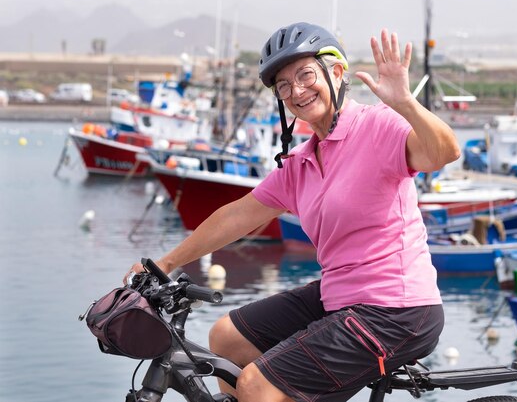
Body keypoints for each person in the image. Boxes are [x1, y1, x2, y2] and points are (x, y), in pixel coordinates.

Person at [125, 22, 460, 402]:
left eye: (305, 75)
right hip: (341, 296)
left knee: (257, 385)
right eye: (283, 85)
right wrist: (164, 263)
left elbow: (444, 153)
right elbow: (238, 215)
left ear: (336, 73)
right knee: (226, 337)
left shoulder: (378, 126)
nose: (296, 91)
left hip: (398, 310)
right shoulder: (300, 163)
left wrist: (406, 105)